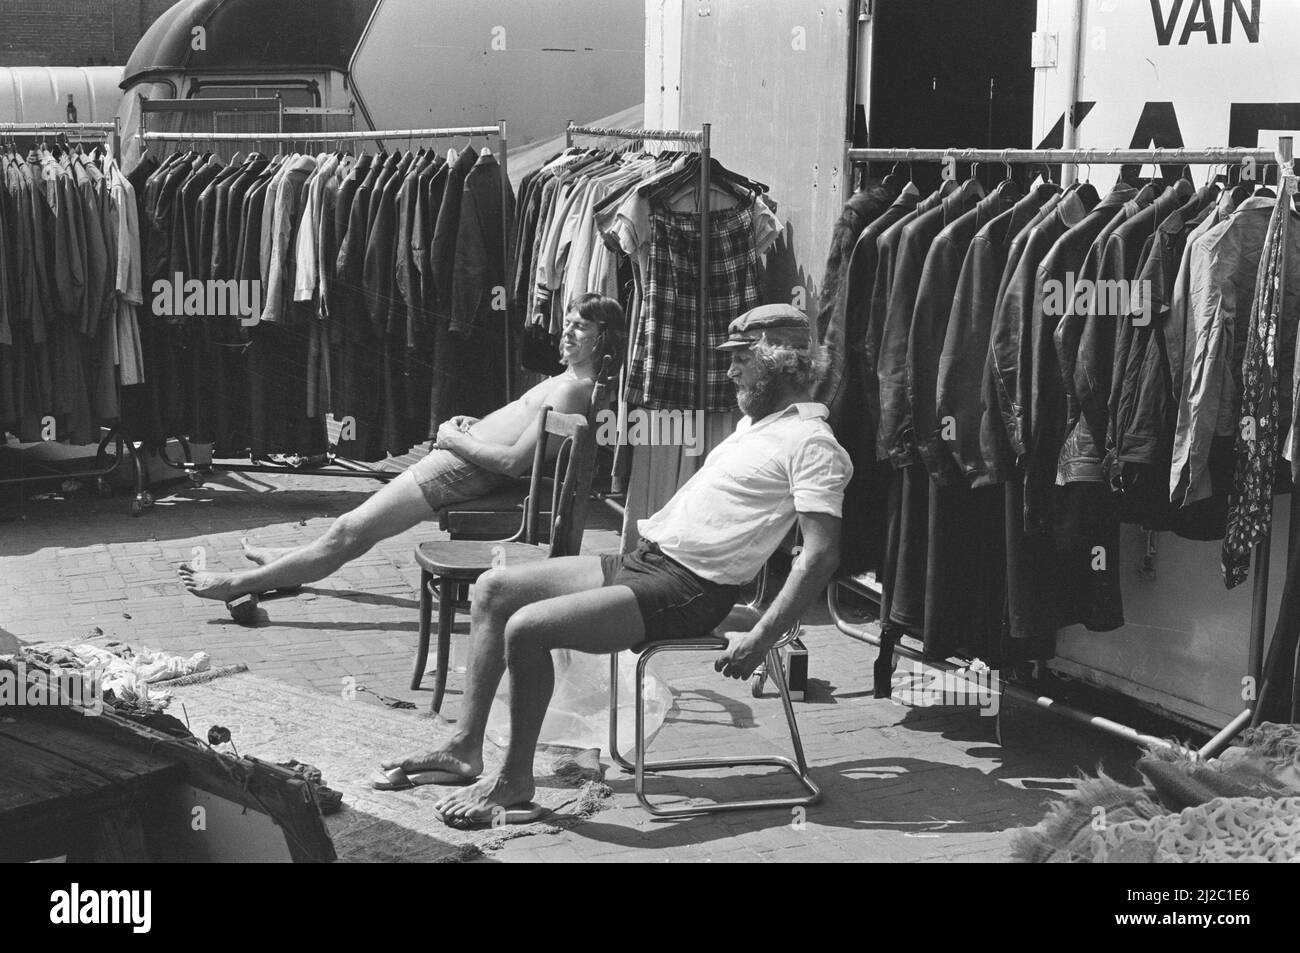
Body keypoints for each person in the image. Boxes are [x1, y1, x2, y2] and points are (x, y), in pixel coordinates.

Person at [374, 304, 853, 825]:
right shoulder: (759, 425)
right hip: (646, 561)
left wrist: (760, 638)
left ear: (783, 365)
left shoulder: (812, 444)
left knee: (528, 630)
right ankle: (464, 747)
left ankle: (514, 781)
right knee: (493, 590)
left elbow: (821, 554)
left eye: (743, 359)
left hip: (686, 590)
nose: (731, 370)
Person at [178, 293, 626, 607]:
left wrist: (456, 439)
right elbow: (516, 433)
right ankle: (287, 565)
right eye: (566, 321)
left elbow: (512, 463)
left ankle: (237, 584)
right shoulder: (571, 382)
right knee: (351, 528)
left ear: (602, 337)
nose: (566, 332)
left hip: (460, 469)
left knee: (350, 530)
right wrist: (475, 426)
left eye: (579, 326)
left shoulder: (572, 391)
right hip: (459, 461)